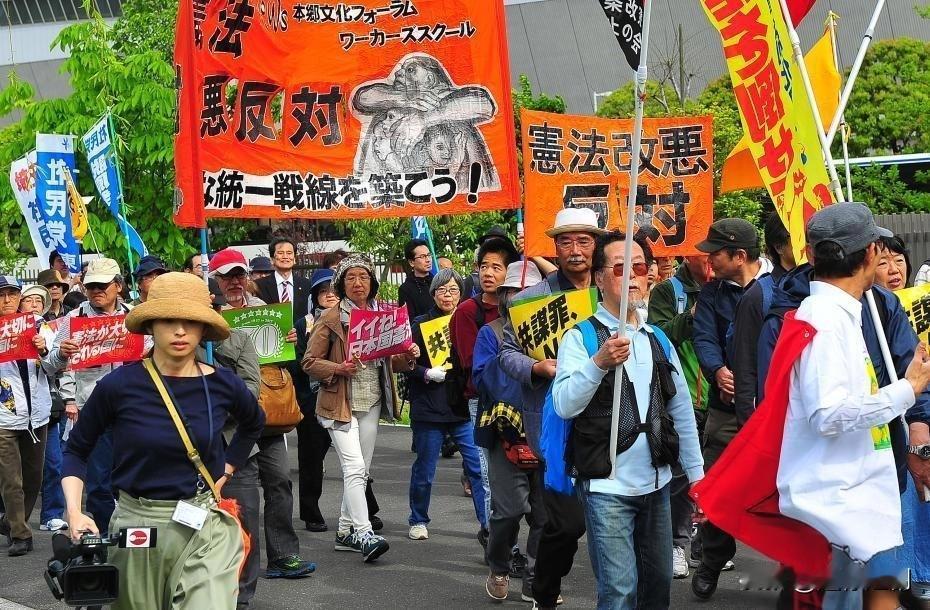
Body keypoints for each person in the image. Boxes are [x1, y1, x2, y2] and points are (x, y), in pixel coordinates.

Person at [61, 272, 265, 610]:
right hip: (137, 525)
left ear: (203, 328)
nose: (180, 331)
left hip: (204, 523)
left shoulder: (223, 383)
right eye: (168, 320)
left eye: (191, 321)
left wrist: (227, 468)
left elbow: (254, 423)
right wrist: (74, 512)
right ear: (151, 326)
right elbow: (77, 450)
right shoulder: (118, 386)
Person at [773, 204, 930, 610]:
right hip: (835, 508)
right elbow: (828, 414)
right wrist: (907, 390)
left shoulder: (841, 312)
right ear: (871, 253)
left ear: (812, 255)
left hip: (850, 502)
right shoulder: (825, 320)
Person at [552, 231, 703, 609]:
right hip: (607, 487)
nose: (633, 276)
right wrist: (598, 364)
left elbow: (681, 410)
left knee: (658, 587)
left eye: (639, 266)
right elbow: (564, 404)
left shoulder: (657, 339)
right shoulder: (581, 338)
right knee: (619, 591)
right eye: (621, 268)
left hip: (657, 484)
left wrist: (697, 476)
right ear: (599, 278)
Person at [497, 207, 607, 610]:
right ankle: (541, 584)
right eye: (566, 241)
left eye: (584, 241)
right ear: (554, 247)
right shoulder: (530, 299)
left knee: (610, 512)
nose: (575, 250)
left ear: (596, 246)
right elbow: (506, 354)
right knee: (562, 520)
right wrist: (537, 367)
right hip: (552, 418)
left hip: (609, 417)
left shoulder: (613, 291)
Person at [209, 248, 316, 581]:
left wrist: (289, 342)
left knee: (280, 480)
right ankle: (239, 565)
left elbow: (281, 362)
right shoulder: (209, 317)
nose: (234, 282)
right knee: (243, 493)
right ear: (214, 280)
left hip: (267, 413)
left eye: (239, 275)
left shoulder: (264, 310)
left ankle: (283, 555)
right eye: (226, 276)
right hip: (230, 420)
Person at [303, 255, 419, 562]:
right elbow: (309, 362)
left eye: (364, 277)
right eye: (351, 277)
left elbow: (389, 361)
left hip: (372, 400)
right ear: (341, 284)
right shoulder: (330, 318)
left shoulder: (383, 315)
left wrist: (408, 355)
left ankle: (344, 532)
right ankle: (364, 533)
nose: (358, 283)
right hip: (338, 403)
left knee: (361, 472)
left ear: (372, 282)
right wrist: (338, 368)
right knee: (354, 468)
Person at [690, 218, 772, 598]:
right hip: (725, 412)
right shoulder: (712, 293)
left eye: (716, 253)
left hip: (771, 413)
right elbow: (703, 337)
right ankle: (712, 559)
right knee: (716, 489)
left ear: (739, 256)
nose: (709, 260)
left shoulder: (778, 289)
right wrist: (718, 370)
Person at [48, 258, 143, 536]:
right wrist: (61, 353)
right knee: (99, 482)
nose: (96, 291)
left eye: (102, 285)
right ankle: (106, 539)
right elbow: (50, 364)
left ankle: (132, 537)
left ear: (119, 286)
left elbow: (153, 354)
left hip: (133, 409)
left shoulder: (135, 317)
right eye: (91, 286)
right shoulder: (74, 319)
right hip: (93, 410)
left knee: (133, 478)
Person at [473, 261, 545, 603]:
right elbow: (484, 379)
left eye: (529, 291)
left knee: (545, 516)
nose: (521, 297)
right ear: (503, 297)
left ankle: (536, 579)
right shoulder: (491, 333)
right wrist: (526, 365)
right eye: (514, 292)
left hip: (547, 432)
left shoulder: (556, 330)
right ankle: (499, 566)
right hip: (506, 433)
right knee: (509, 511)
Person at [450, 236, 521, 551]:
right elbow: (472, 365)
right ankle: (500, 545)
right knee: (491, 473)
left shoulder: (526, 308)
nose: (488, 273)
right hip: (485, 401)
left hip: (524, 401)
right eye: (484, 266)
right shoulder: (468, 311)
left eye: (497, 267)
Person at [647, 253, 714, 578]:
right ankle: (676, 543)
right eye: (706, 254)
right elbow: (658, 337)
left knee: (715, 474)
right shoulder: (668, 291)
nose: (712, 260)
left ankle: (709, 544)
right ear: (688, 255)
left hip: (721, 398)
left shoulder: (729, 287)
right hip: (682, 396)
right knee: (680, 476)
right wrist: (691, 316)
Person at [407, 268, 486, 542]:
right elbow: (403, 364)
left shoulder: (468, 321)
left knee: (477, 468)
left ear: (461, 294)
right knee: (425, 470)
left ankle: (487, 525)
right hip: (429, 408)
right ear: (433, 294)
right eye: (442, 290)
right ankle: (418, 519)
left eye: (453, 290)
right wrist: (424, 372)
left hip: (462, 408)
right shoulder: (420, 324)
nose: (448, 295)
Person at [0, 276, 55, 557]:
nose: (7, 300)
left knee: (34, 477)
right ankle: (21, 534)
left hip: (38, 414)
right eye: (2, 295)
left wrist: (43, 350)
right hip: (4, 416)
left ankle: (12, 521)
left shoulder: (39, 326)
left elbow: (56, 366)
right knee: (12, 479)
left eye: (12, 294)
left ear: (19, 298)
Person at [730, 213, 796, 429]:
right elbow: (745, 369)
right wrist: (751, 429)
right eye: (799, 234)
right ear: (779, 246)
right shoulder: (759, 295)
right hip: (776, 419)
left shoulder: (821, 287)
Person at [295, 269, 341, 533]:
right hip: (312, 399)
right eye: (323, 291)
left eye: (333, 290)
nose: (329, 295)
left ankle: (368, 510)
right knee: (311, 459)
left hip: (344, 397)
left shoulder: (350, 319)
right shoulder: (304, 324)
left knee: (354, 458)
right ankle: (311, 513)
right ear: (315, 296)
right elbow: (300, 362)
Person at [255, 236, 312, 320]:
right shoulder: (259, 286)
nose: (285, 256)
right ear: (272, 259)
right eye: (280, 253)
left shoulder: (306, 284)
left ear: (294, 259)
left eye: (289, 253)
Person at [398, 238, 435, 320]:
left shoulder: (438, 282)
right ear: (411, 262)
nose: (428, 260)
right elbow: (408, 320)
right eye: (422, 257)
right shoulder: (406, 289)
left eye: (429, 255)